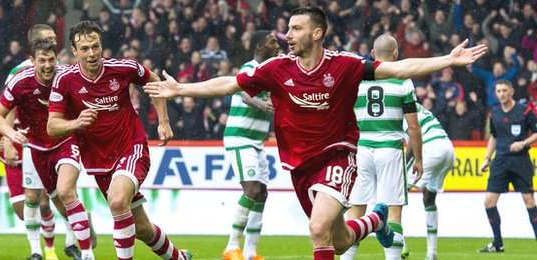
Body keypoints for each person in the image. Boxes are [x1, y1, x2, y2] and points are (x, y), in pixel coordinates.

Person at [145, 6, 487, 259]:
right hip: (300, 167)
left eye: (295, 29)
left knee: (317, 230)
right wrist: (182, 90)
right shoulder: (276, 68)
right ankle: (376, 220)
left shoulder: (344, 64)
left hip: (338, 155)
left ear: (316, 33)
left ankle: (372, 220)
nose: (288, 35)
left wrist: (447, 60)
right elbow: (229, 84)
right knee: (337, 242)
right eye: (288, 29)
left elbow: (399, 68)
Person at [47, 21, 191, 260]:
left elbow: (153, 80)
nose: (91, 53)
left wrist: (163, 121)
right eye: (84, 49)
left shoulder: (124, 68)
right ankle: (179, 258)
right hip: (99, 161)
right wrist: (77, 123)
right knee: (142, 229)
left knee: (116, 200)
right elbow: (52, 126)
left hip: (130, 147)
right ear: (74, 51)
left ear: (101, 45)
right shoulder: (65, 81)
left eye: (95, 46)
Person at [0, 38, 94, 259]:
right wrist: (11, 135)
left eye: (51, 60)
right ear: (32, 61)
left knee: (67, 191)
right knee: (43, 199)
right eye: (42, 61)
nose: (48, 65)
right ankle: (38, 250)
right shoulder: (20, 81)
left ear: (57, 59)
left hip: (66, 141)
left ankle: (85, 253)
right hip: (36, 149)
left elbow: (91, 90)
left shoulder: (67, 75)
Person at [341, 34, 423, 260]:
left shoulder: (357, 80)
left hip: (361, 150)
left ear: (373, 54)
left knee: (356, 209)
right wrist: (418, 160)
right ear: (395, 54)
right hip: (390, 149)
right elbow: (414, 127)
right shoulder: (403, 81)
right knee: (393, 209)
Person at [222, 30, 278, 260]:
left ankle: (251, 252)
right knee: (252, 189)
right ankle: (231, 247)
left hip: (256, 141)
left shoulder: (272, 74)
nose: (276, 45)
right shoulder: (250, 68)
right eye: (271, 42)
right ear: (259, 47)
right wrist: (260, 105)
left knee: (262, 193)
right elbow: (245, 94)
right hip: (239, 137)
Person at [478, 79, 537, 253]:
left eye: (505, 90)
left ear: (512, 91)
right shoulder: (493, 112)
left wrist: (524, 143)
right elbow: (494, 137)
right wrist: (487, 158)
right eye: (498, 91)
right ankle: (498, 244)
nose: (502, 94)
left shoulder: (524, 110)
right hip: (500, 162)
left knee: (529, 200)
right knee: (489, 201)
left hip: (521, 162)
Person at [400, 102, 455, 260]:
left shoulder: (398, 105)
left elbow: (413, 134)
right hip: (447, 148)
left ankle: (399, 244)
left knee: (395, 193)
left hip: (430, 147)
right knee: (429, 198)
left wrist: (404, 164)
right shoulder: (415, 105)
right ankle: (432, 253)